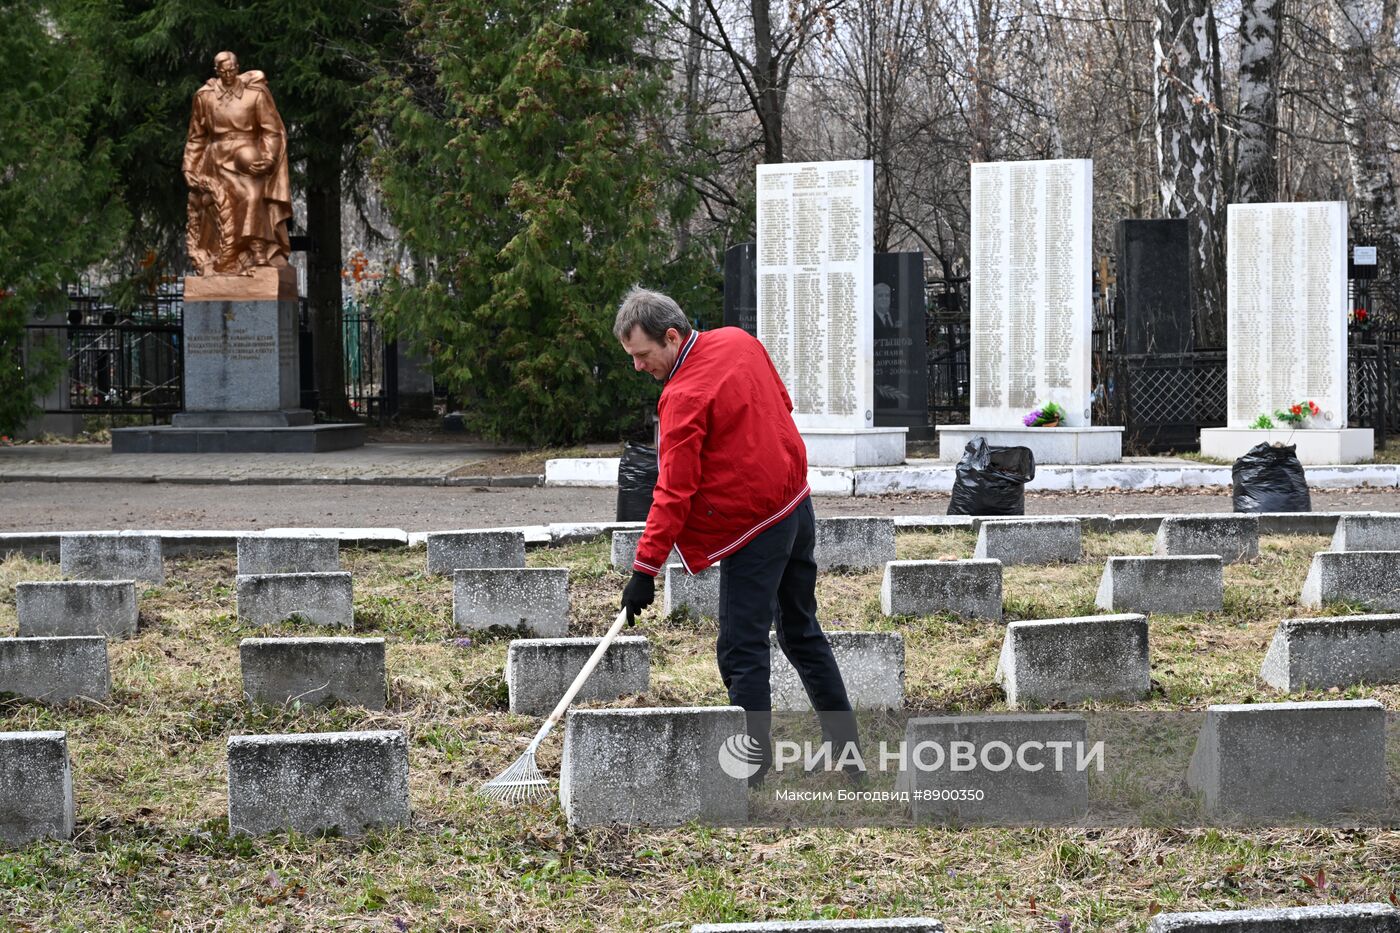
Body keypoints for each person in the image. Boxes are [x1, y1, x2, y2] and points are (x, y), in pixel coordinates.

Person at [614, 286, 860, 785]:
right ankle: (848, 750)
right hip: (795, 505)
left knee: (740, 646)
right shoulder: (739, 341)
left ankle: (751, 772)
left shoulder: (681, 397)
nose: (638, 367)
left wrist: (644, 569)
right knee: (800, 630)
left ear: (672, 336)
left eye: (642, 355)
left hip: (755, 527)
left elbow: (673, 491)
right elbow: (781, 404)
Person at [183, 51, 293, 276]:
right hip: (215, 160)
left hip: (248, 158)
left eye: (232, 70)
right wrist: (189, 167)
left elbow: (272, 131)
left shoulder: (255, 94)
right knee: (215, 204)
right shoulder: (205, 96)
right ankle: (224, 258)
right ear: (216, 71)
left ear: (238, 67)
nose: (228, 75)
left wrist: (269, 158)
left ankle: (258, 249)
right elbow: (196, 136)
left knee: (252, 196)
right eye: (223, 71)